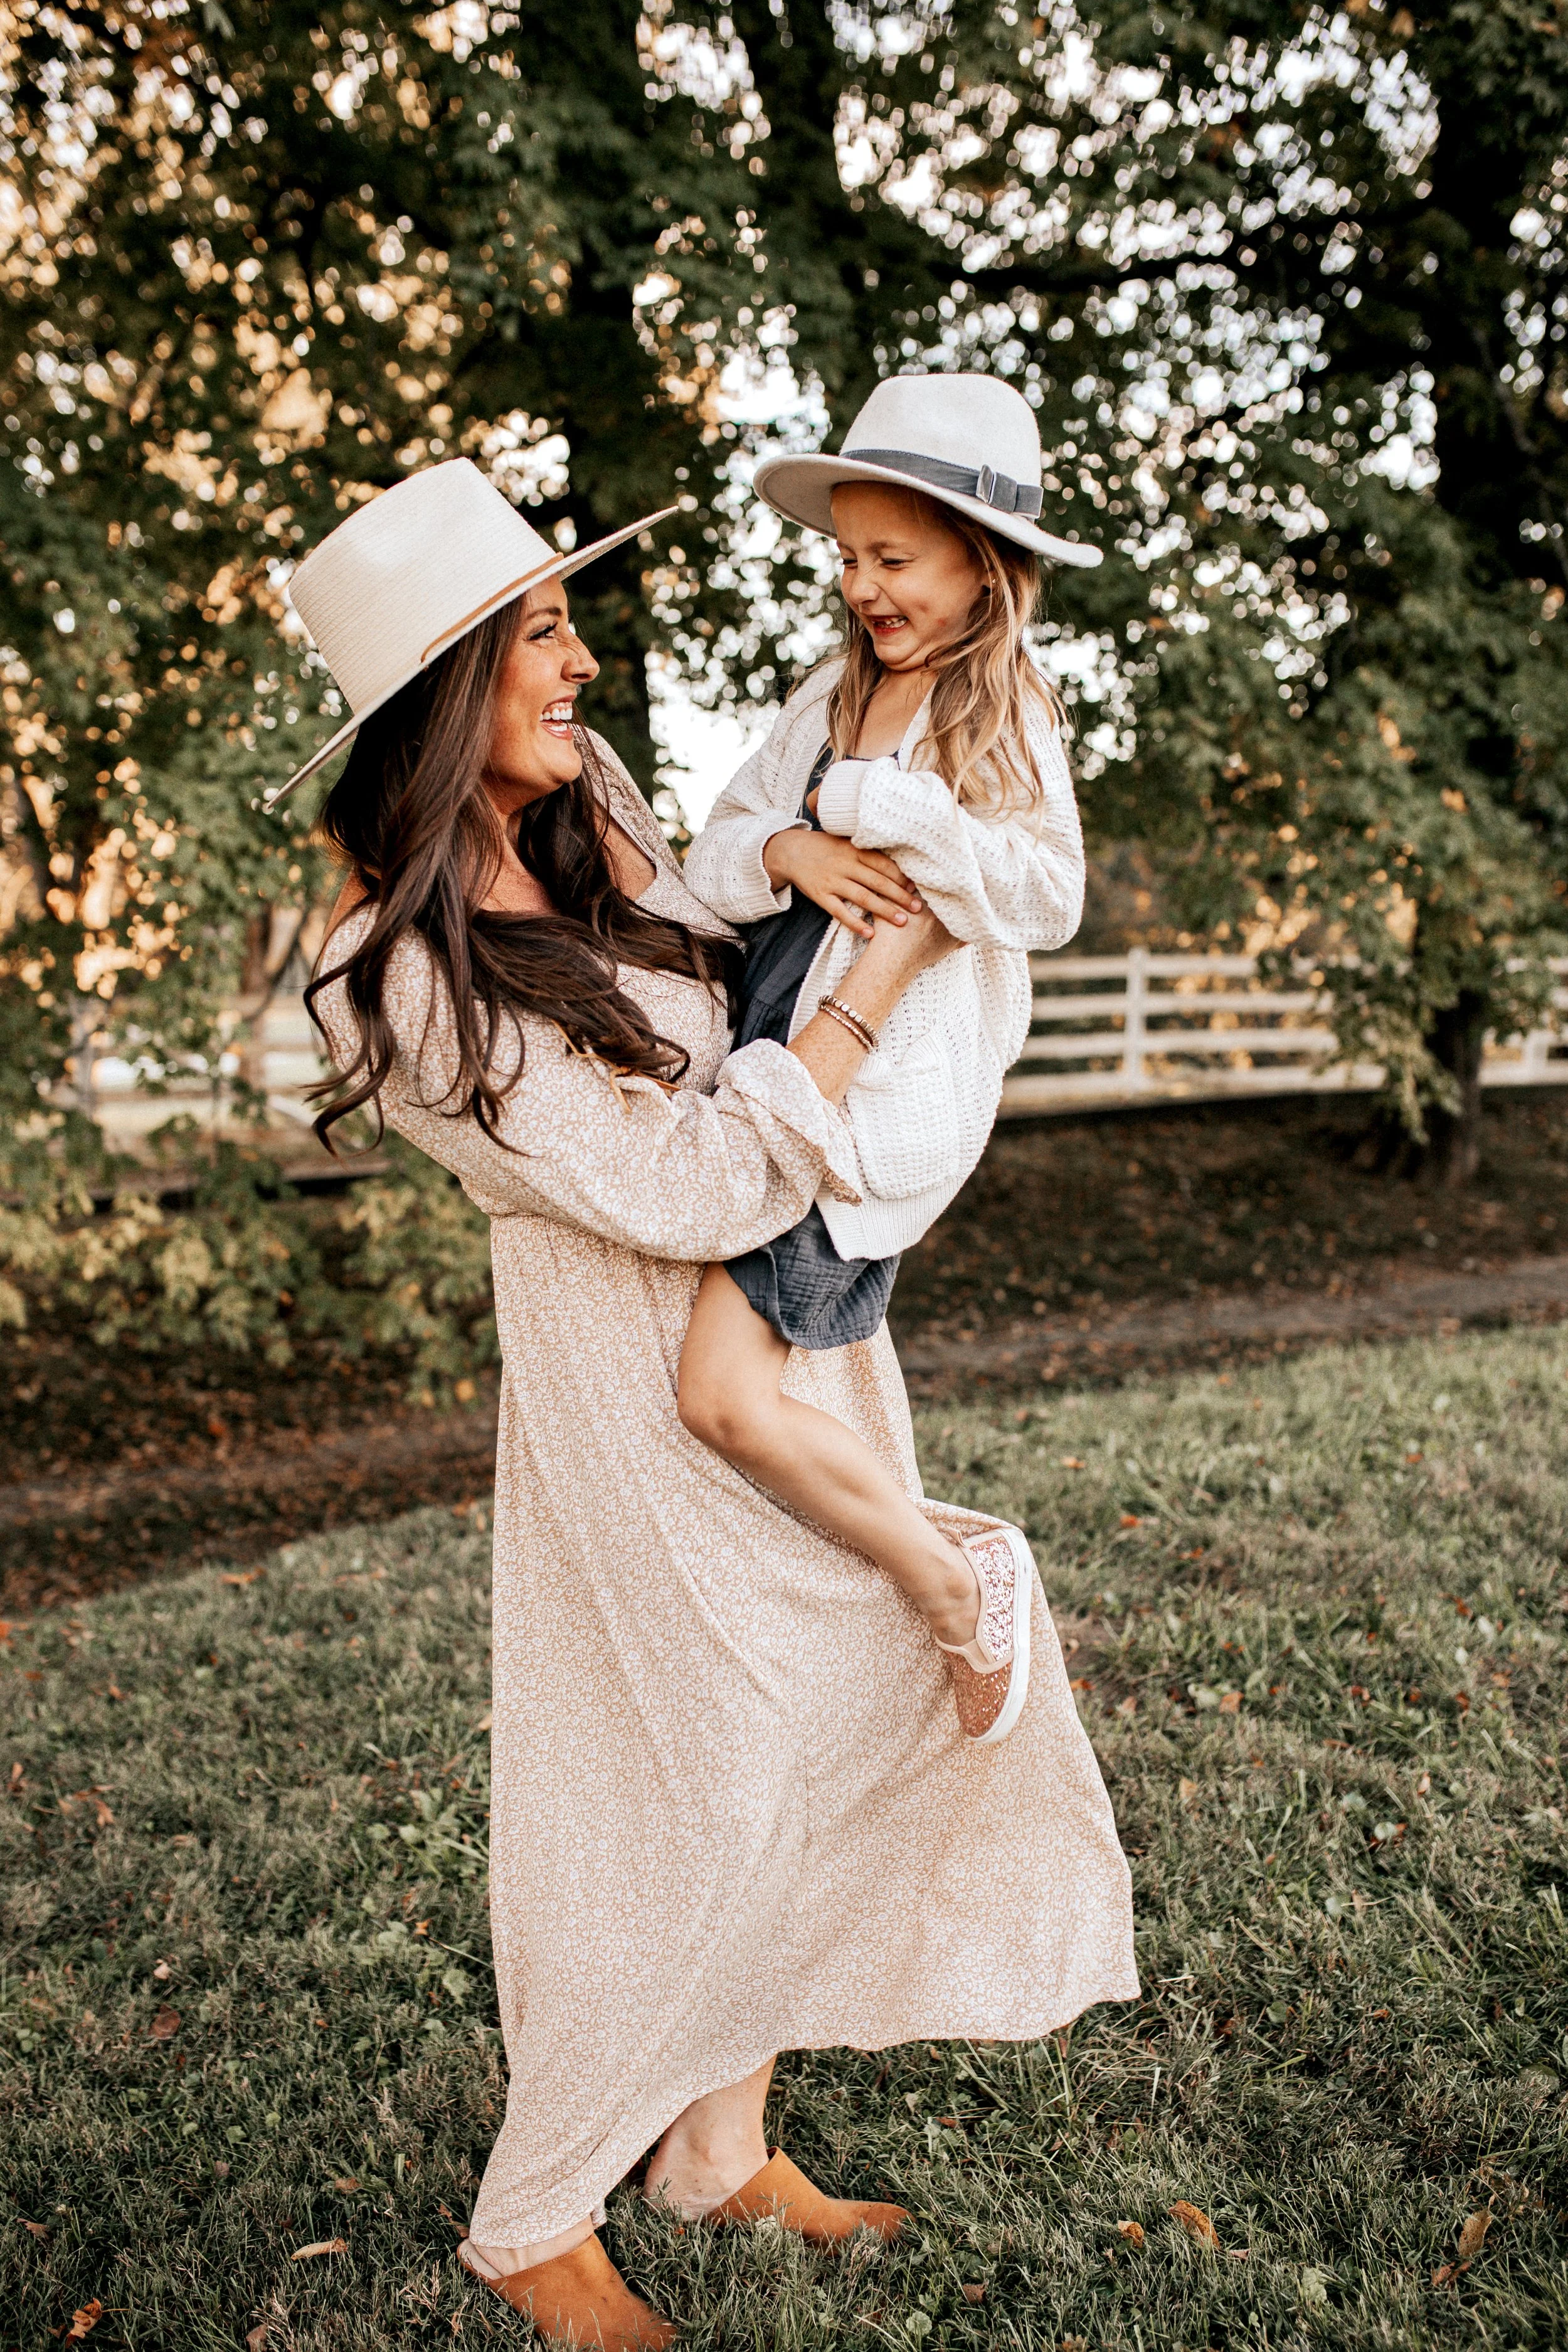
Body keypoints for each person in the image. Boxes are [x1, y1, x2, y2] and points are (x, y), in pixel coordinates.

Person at [272, 455, 1136, 2351]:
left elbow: (724, 965)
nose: (581, 663)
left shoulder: (582, 810)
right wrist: (879, 974)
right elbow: (681, 1179)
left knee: (815, 1732)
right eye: (542, 636)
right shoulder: (395, 971)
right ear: (440, 699)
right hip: (632, 1383)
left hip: (780, 1333)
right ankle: (533, 2212)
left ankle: (717, 2144)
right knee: (664, 1789)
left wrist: (822, 899)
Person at [679, 373, 1099, 1746]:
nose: (862, 584)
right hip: (763, 1068)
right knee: (724, 1394)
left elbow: (1046, 899)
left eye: (892, 558)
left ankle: (951, 1574)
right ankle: (845, 1619)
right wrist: (790, 844)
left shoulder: (1003, 715)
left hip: (857, 1110)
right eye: (847, 557)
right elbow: (713, 851)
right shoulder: (827, 693)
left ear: (981, 566)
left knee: (721, 1397)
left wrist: (905, 811)